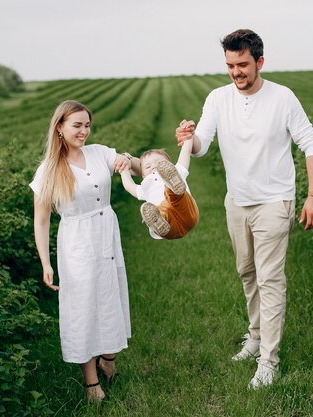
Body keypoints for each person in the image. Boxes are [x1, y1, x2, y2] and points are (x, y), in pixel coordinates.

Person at [175, 29, 313, 389]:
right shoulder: (217, 98)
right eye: (230, 65)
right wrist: (187, 138)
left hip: (275, 201)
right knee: (247, 272)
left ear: (259, 62)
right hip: (236, 201)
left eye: (242, 64)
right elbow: (202, 144)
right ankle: (255, 335)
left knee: (270, 279)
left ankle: (268, 360)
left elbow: (311, 142)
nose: (236, 72)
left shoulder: (282, 98)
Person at [29, 100, 134, 402]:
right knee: (84, 307)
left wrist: (131, 160)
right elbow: (41, 220)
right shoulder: (49, 169)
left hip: (106, 235)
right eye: (77, 125)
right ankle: (91, 383)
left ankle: (109, 358)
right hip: (76, 243)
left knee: (110, 296)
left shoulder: (99, 152)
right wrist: (46, 264)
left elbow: (134, 164)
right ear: (59, 127)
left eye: (87, 125)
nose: (84, 131)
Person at [119, 127, 199, 240]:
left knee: (176, 196)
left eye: (159, 163)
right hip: (170, 228)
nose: (154, 167)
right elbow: (129, 186)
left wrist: (188, 136)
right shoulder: (145, 186)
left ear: (170, 165)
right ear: (142, 175)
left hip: (187, 214)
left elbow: (185, 151)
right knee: (161, 211)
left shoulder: (177, 170)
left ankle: (172, 185)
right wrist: (123, 170)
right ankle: (158, 220)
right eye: (148, 166)